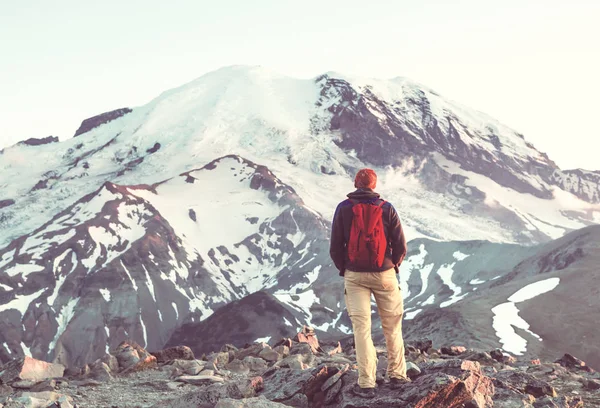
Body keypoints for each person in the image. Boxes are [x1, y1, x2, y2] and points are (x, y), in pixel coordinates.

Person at [329, 168, 409, 398]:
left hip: (355, 276)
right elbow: (400, 245)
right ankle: (397, 375)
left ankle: (366, 383)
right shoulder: (387, 208)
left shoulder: (344, 208)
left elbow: (335, 246)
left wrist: (345, 268)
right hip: (384, 274)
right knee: (392, 327)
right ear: (374, 185)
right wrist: (392, 266)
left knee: (362, 330)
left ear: (356, 183)